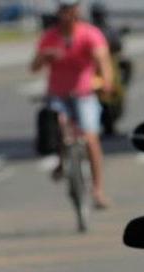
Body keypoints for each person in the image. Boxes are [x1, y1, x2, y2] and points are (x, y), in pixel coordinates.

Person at [31, 0, 114, 208]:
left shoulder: (89, 34)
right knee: (58, 125)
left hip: (84, 93)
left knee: (90, 137)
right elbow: (33, 67)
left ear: (77, 11)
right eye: (63, 10)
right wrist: (44, 56)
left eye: (71, 9)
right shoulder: (50, 36)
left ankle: (98, 189)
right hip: (58, 94)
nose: (67, 14)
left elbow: (103, 61)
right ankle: (61, 161)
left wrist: (106, 82)